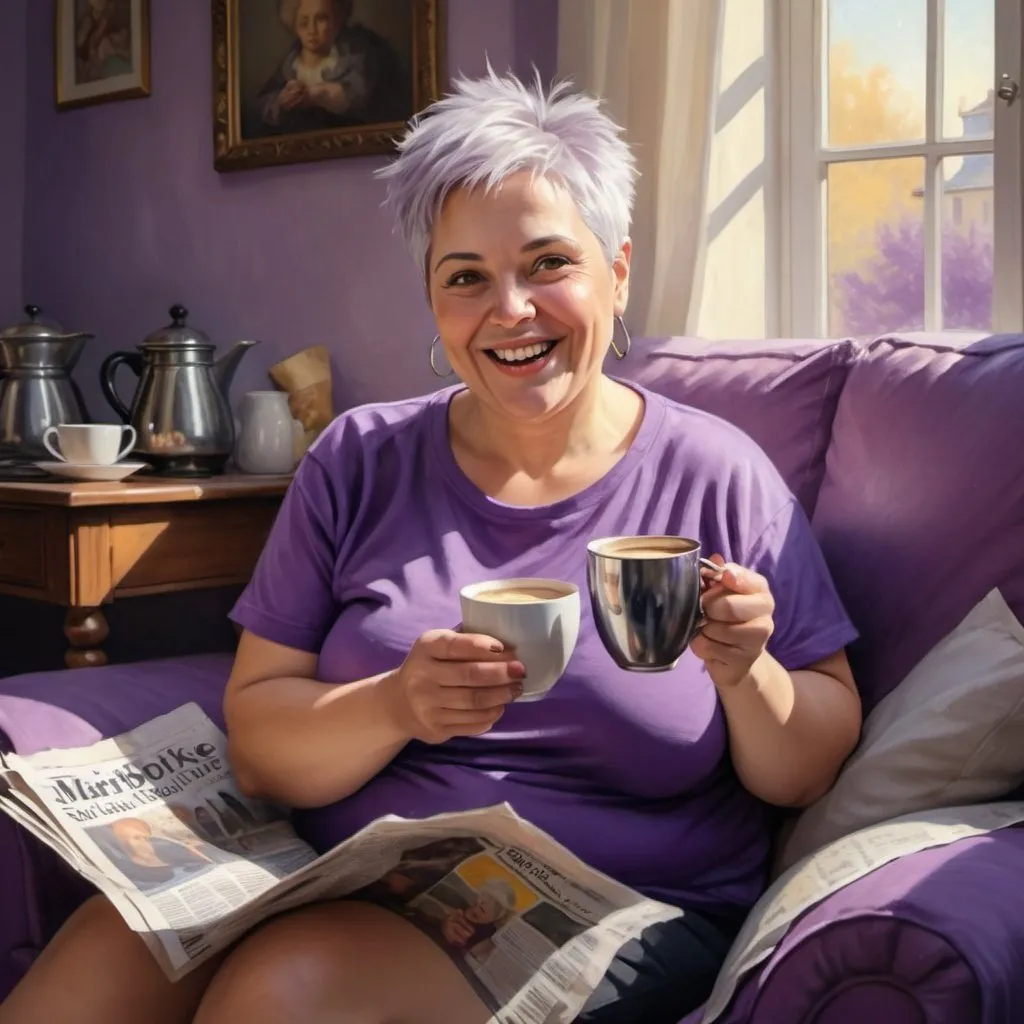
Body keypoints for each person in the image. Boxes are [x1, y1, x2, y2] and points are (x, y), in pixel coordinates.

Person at [0, 69, 862, 1024]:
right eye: (466, 278)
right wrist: (399, 702)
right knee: (83, 982)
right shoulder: (358, 460)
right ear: (433, 301)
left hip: (615, 908)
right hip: (337, 872)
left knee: (284, 994)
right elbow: (261, 751)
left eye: (547, 264)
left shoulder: (718, 475)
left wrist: (747, 672)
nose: (510, 309)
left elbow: (807, 769)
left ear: (617, 273)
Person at [257, 0, 409, 136]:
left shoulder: (356, 56)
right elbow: (264, 102)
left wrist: (319, 94)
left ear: (337, 19)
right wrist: (281, 101)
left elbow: (361, 94)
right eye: (304, 22)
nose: (312, 30)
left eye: (321, 19)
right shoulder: (289, 66)